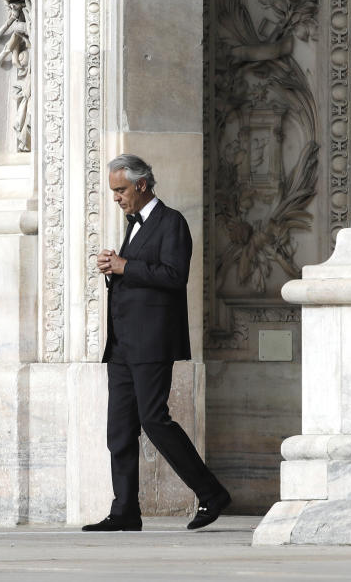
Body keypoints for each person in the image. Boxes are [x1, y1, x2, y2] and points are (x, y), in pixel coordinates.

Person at [83, 154, 231, 532]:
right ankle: (125, 511)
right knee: (119, 430)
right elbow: (138, 275)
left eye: (120, 190)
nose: (116, 198)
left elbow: (174, 275)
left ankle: (211, 493)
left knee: (154, 420)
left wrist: (124, 266)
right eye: (114, 191)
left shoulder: (172, 222)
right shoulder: (132, 226)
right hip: (122, 345)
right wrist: (113, 265)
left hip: (152, 342)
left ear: (142, 185)